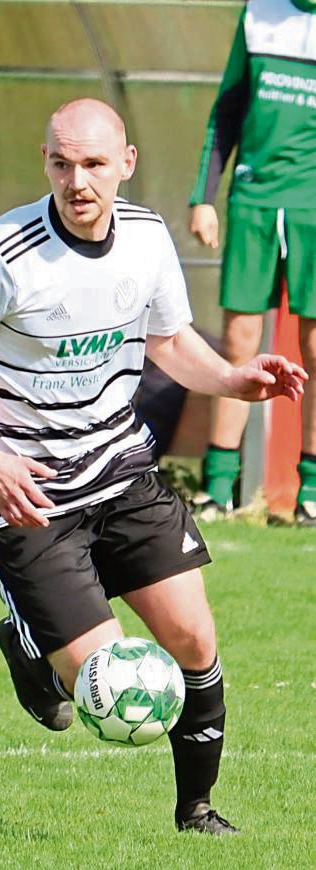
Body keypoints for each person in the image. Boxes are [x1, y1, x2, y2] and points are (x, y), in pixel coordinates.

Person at [0, 98, 306, 834]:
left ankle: (198, 814)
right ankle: (30, 645)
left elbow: (169, 339)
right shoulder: (0, 257)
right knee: (101, 687)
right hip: (26, 492)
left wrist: (234, 378)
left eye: (93, 163)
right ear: (45, 163)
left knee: (194, 640)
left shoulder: (148, 238)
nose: (77, 180)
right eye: (61, 163)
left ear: (126, 163)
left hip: (120, 470)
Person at [189, 0, 316, 524]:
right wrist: (204, 197)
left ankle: (310, 491)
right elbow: (227, 110)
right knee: (239, 340)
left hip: (313, 205)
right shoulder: (258, 14)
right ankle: (218, 487)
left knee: (314, 346)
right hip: (253, 201)